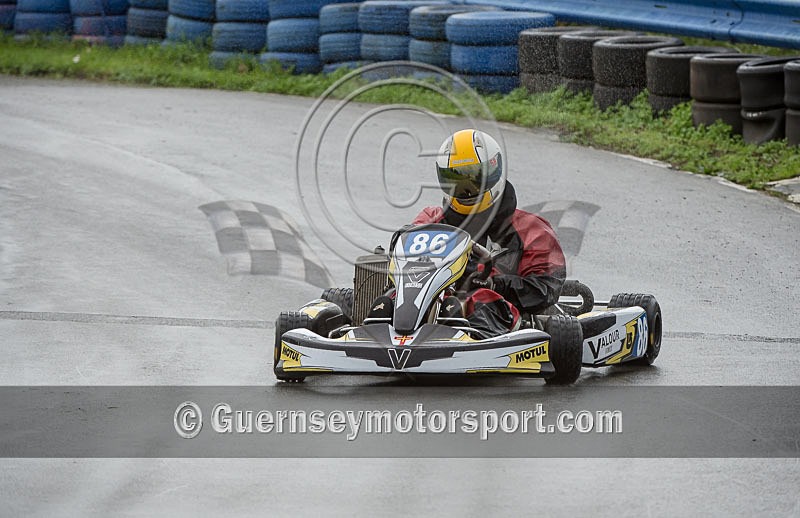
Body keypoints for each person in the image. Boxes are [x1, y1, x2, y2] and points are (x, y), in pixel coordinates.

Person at [412, 129, 567, 338]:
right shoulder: (431, 220)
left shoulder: (532, 230)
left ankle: (475, 341)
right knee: (384, 299)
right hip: (428, 304)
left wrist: (496, 284)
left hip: (499, 310)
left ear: (493, 172)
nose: (465, 189)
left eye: (472, 177)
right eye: (455, 178)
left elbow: (545, 288)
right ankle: (380, 329)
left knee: (479, 301)